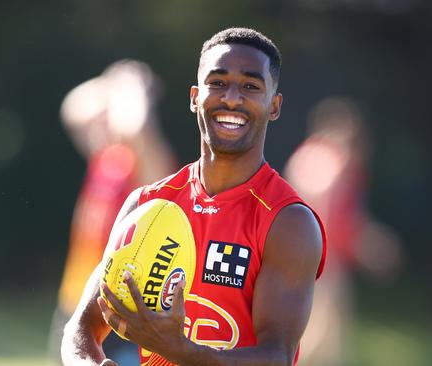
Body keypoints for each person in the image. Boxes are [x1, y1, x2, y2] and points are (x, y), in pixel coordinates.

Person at [61, 27, 327, 366]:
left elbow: (277, 357)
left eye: (250, 86)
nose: (231, 98)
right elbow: (81, 327)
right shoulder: (146, 206)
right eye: (217, 83)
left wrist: (179, 350)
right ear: (194, 97)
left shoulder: (288, 221)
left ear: (274, 106)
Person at [50, 60, 176, 365]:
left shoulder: (151, 163)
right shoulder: (107, 156)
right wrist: (114, 82)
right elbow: (74, 110)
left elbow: (136, 127)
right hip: (77, 297)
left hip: (116, 312)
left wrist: (132, 86)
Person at [284, 97, 402, 365]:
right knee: (320, 345)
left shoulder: (302, 157)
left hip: (293, 258)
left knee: (314, 341)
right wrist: (372, 248)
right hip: (326, 265)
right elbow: (339, 221)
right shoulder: (340, 165)